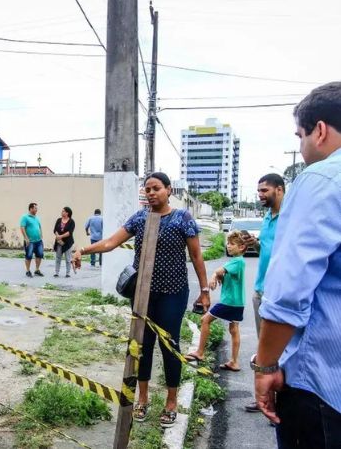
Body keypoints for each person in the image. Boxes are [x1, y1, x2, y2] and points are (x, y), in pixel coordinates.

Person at [71, 172, 210, 428]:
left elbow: (196, 257)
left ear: (169, 190)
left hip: (173, 293)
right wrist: (83, 249)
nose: (151, 193)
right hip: (142, 294)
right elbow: (111, 242)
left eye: (156, 188)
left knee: (170, 346)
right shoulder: (140, 218)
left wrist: (204, 290)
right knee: (142, 346)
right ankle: (143, 398)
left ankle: (171, 401)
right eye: (147, 189)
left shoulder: (182, 219)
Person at [253, 82, 341, 447]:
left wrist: (266, 366)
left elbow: (290, 292)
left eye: (300, 136)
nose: (302, 148)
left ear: (319, 131)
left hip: (320, 382)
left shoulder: (320, 179)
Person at [240, 173, 285, 413]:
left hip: (280, 293)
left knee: (282, 350)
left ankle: (281, 403)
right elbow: (267, 248)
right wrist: (254, 243)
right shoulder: (268, 217)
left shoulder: (290, 217)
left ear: (279, 189)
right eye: (258, 191)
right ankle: (265, 399)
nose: (260, 196)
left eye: (264, 191)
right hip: (260, 290)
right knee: (263, 348)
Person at [185, 231, 247, 371]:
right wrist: (220, 277)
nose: (228, 246)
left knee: (205, 320)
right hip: (238, 302)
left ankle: (200, 352)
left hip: (228, 302)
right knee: (234, 329)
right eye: (228, 243)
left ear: (242, 247)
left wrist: (213, 276)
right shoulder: (239, 262)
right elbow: (225, 274)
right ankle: (234, 362)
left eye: (232, 244)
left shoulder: (237, 261)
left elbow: (219, 270)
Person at [20, 203, 44, 278]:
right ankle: (28, 270)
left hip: (38, 241)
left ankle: (37, 270)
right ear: (30, 209)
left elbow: (39, 227)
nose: (36, 210)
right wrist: (26, 238)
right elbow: (22, 227)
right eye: (35, 208)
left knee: (39, 255)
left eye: (36, 208)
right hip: (30, 241)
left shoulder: (37, 218)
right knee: (29, 255)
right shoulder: (25, 217)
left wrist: (41, 234)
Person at [53, 207, 75, 278]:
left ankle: (68, 273)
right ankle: (56, 272)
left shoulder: (71, 221)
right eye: (62, 211)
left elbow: (70, 232)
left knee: (68, 259)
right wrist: (58, 236)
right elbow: (55, 230)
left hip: (68, 243)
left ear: (67, 213)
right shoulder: (59, 220)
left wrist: (61, 236)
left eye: (63, 211)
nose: (62, 212)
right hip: (59, 242)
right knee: (58, 258)